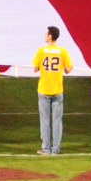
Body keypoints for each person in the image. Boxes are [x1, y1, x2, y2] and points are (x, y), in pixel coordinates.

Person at [33, 27, 72, 155]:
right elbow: (67, 69)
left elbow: (35, 68)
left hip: (44, 89)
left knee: (45, 120)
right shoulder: (63, 51)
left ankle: (46, 148)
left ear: (50, 36)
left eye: (46, 33)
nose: (45, 35)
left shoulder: (41, 50)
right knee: (57, 121)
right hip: (57, 89)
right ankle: (55, 149)